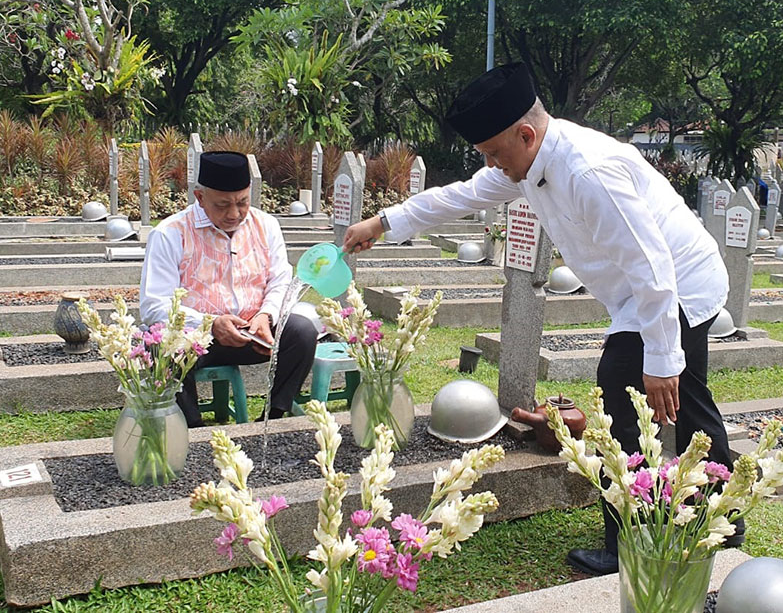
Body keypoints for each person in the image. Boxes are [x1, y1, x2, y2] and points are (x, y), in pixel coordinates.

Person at [343, 62, 742, 576]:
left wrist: (664, 357)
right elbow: (462, 195)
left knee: (624, 398)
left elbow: (652, 266)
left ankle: (631, 544)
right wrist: (385, 221)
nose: (491, 164)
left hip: (678, 286)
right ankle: (722, 519)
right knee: (689, 403)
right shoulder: (531, 161)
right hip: (643, 291)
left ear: (526, 134)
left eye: (493, 152)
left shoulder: (586, 170)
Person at [140, 151, 317, 426]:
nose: (234, 214)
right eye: (222, 205)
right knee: (161, 346)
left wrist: (265, 316)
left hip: (253, 333)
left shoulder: (266, 225)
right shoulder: (170, 233)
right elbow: (154, 306)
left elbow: (280, 279)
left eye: (243, 202)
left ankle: (273, 417)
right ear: (200, 198)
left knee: (302, 332)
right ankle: (191, 430)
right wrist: (211, 325)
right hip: (197, 339)